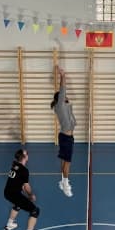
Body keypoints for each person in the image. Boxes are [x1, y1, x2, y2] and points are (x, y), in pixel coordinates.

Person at [3, 149, 43, 230]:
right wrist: (31, 195)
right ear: (24, 157)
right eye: (27, 154)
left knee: (18, 203)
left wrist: (25, 193)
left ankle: (9, 224)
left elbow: (20, 184)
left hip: (7, 193)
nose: (28, 155)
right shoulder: (24, 170)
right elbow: (26, 186)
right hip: (14, 194)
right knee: (35, 211)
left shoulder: (14, 166)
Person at [51, 65, 76, 198]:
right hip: (66, 138)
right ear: (61, 98)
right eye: (64, 96)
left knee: (63, 160)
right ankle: (65, 185)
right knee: (67, 163)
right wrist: (63, 76)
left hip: (66, 137)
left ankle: (62, 181)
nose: (67, 96)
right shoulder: (60, 105)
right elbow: (63, 89)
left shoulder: (63, 106)